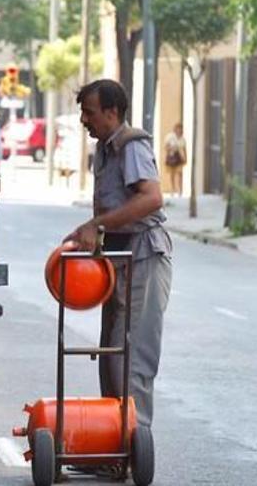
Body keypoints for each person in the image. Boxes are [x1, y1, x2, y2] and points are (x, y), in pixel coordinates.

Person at [65, 79, 172, 433]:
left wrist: (97, 223)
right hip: (119, 257)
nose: (84, 120)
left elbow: (151, 198)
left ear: (112, 113)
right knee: (111, 356)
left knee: (131, 359)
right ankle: (113, 442)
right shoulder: (105, 150)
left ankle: (134, 442)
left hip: (143, 254)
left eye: (89, 112)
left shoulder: (131, 145)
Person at [163, 123, 187, 197]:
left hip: (179, 157)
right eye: (178, 128)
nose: (179, 130)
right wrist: (171, 148)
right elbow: (166, 147)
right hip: (171, 157)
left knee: (180, 173)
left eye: (181, 129)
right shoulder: (170, 137)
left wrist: (185, 158)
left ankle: (180, 190)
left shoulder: (182, 138)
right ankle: (172, 190)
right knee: (172, 174)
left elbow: (184, 149)